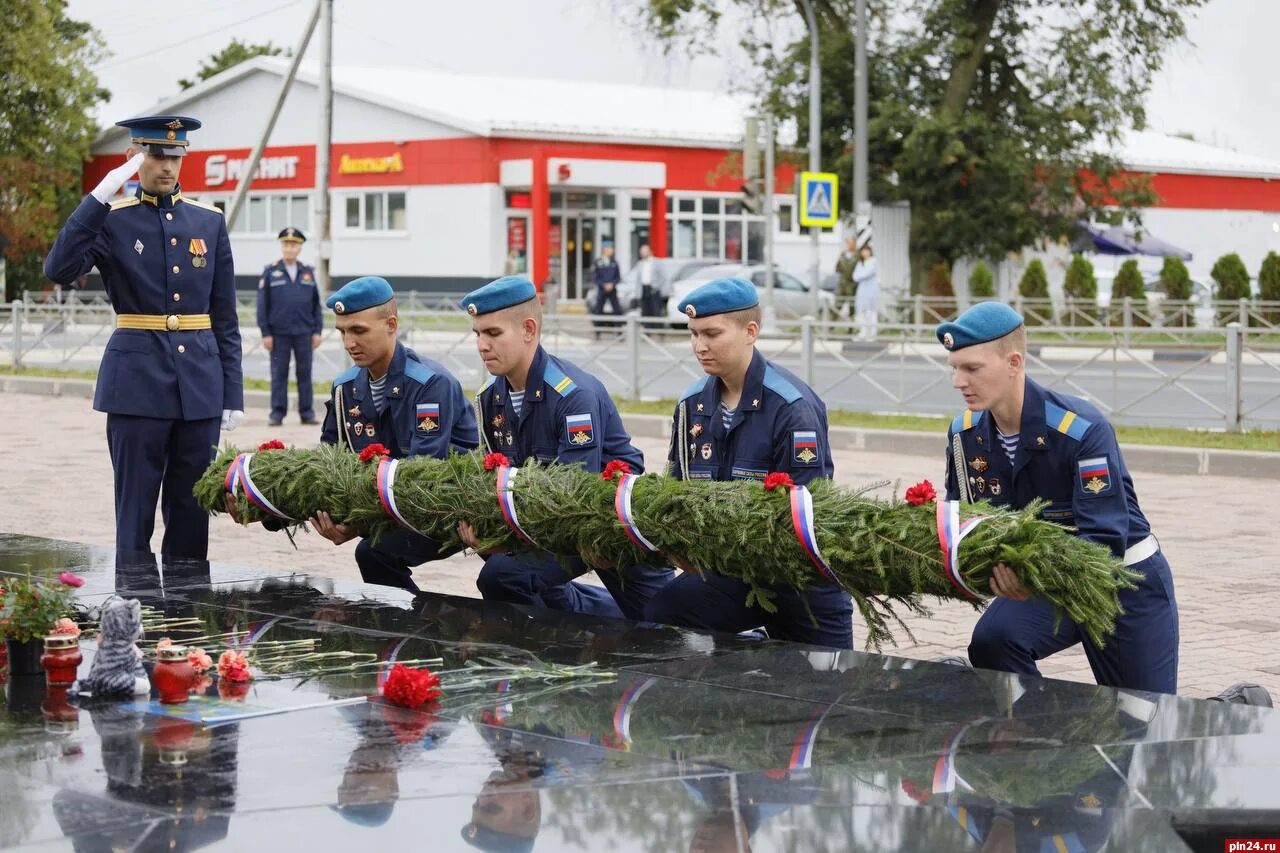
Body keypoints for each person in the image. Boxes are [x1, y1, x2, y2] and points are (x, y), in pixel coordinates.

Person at [937, 301, 1179, 693]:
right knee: (994, 641)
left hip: (1121, 581)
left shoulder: (1081, 430)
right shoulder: (964, 433)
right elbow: (964, 521)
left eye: (972, 368)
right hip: (1043, 583)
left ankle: (1238, 704)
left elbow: (1103, 541)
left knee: (1148, 725)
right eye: (954, 368)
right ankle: (1049, 738)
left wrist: (1028, 576)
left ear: (1014, 363)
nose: (958, 382)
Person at [43, 114, 243, 571]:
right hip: (136, 383)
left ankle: (187, 613)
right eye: (156, 154)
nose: (167, 165)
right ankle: (131, 612)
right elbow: (57, 268)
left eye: (175, 155)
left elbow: (225, 318)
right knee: (134, 510)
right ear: (135, 157)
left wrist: (230, 390)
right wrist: (98, 196)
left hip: (199, 385)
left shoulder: (208, 222)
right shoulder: (111, 220)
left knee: (193, 508)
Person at [643, 277, 854, 648]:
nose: (699, 346)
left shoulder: (791, 407)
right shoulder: (691, 405)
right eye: (692, 334)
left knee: (827, 689)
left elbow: (807, 514)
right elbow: (675, 491)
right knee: (666, 610)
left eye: (711, 333)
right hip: (730, 573)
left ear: (750, 331)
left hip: (798, 581)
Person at [455, 275, 673, 619]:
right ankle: (563, 640)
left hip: (609, 525)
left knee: (665, 621)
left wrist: (508, 544)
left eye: (493, 333)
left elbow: (572, 496)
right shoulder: (490, 398)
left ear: (529, 329)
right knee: (503, 578)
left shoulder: (572, 396)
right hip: (549, 525)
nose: (482, 345)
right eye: (477, 334)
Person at [309, 276, 479, 591]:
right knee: (375, 554)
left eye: (359, 330)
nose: (349, 343)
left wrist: (359, 522)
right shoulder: (344, 388)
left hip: (449, 506)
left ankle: (426, 628)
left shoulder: (430, 384)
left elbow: (420, 474)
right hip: (395, 507)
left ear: (390, 324)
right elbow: (331, 461)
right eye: (342, 332)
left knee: (375, 551)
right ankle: (416, 628)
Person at [257, 226, 322, 426]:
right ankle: (277, 413)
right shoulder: (271, 272)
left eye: (294, 245)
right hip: (278, 334)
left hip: (304, 332)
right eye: (286, 244)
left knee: (305, 374)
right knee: (279, 374)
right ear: (281, 246)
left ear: (300, 248)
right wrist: (266, 333)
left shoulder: (307, 273)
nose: (290, 248)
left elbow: (315, 305)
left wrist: (317, 331)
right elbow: (262, 305)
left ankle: (307, 413)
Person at [852, 238, 879, 341]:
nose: (865, 253)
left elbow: (865, 274)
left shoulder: (873, 262)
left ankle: (872, 334)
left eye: (867, 251)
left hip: (871, 290)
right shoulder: (860, 263)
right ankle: (863, 332)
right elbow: (855, 276)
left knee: (870, 312)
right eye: (863, 251)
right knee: (861, 312)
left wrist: (860, 275)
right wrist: (860, 275)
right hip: (862, 290)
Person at [590, 240, 622, 319]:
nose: (612, 250)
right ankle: (598, 329)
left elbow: (618, 277)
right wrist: (603, 284)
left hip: (612, 289)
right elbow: (594, 277)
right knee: (598, 309)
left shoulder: (614, 262)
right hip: (602, 289)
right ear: (604, 249)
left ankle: (618, 328)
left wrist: (612, 284)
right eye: (610, 248)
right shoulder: (597, 262)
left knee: (617, 309)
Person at [833, 236, 859, 325]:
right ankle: (831, 326)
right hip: (842, 284)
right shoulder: (843, 254)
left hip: (852, 285)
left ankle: (851, 328)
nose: (850, 245)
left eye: (852, 243)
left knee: (852, 307)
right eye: (848, 243)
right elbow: (837, 267)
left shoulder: (858, 255)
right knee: (837, 305)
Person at [634, 243, 661, 317]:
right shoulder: (639, 263)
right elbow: (638, 279)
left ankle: (656, 327)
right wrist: (637, 293)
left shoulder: (657, 262)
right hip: (643, 289)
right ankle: (646, 327)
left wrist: (658, 287)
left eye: (644, 251)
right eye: (641, 252)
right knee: (645, 310)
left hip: (653, 289)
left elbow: (663, 277)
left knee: (655, 310)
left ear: (649, 252)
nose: (643, 253)